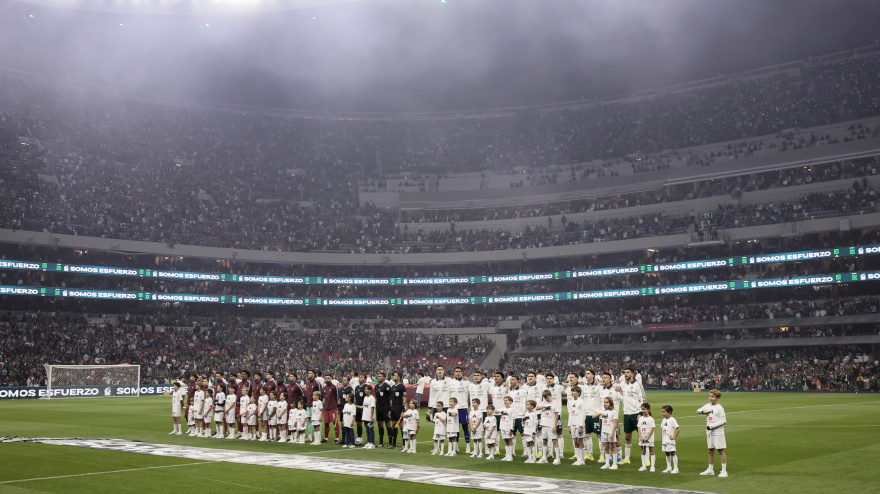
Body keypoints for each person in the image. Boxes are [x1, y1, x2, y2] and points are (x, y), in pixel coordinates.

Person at [697, 389, 728, 477]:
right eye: (710, 396)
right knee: (710, 450)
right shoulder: (707, 405)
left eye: (713, 397)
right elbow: (697, 411)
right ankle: (710, 469)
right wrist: (703, 412)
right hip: (709, 432)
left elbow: (724, 421)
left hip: (718, 432)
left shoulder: (720, 408)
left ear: (717, 398)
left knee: (721, 450)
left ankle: (724, 471)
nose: (711, 398)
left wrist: (712, 426)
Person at [619, 367, 646, 465]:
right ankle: (627, 458)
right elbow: (624, 395)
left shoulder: (637, 385)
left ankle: (646, 459)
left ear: (632, 374)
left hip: (636, 413)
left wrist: (641, 413)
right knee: (627, 436)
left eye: (628, 372)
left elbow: (643, 398)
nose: (625, 374)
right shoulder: (623, 385)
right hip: (626, 413)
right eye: (625, 372)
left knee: (641, 436)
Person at [599, 372, 623, 463]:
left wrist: (620, 390)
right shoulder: (600, 390)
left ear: (610, 380)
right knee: (604, 438)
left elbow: (623, 398)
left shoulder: (615, 390)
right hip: (603, 418)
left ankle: (619, 457)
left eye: (605, 378)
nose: (603, 379)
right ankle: (608, 457)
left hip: (612, 418)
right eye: (602, 377)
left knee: (615, 438)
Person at [536, 389, 561, 465]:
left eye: (547, 397)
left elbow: (556, 415)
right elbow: (536, 408)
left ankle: (557, 458)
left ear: (550, 396)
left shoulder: (555, 404)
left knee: (554, 440)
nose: (546, 399)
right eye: (545, 398)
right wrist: (544, 406)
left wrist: (555, 426)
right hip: (544, 424)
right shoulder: (543, 403)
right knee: (544, 440)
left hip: (551, 424)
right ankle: (544, 457)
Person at [594, 397, 619, 470]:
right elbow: (593, 416)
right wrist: (600, 413)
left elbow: (615, 424)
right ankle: (607, 463)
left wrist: (612, 434)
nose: (605, 404)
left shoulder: (614, 412)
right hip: (603, 431)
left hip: (610, 431)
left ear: (611, 403)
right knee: (606, 447)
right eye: (604, 402)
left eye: (607, 402)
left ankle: (614, 464)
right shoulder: (603, 411)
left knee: (613, 447)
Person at [450, 367, 471, 452]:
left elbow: (472, 391)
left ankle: (468, 446)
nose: (458, 373)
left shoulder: (466, 383)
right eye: (456, 371)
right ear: (454, 373)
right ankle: (456, 447)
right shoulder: (450, 382)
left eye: (459, 371)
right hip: (454, 408)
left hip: (463, 407)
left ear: (462, 372)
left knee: (465, 427)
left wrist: (468, 381)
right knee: (455, 428)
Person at [568, 385, 587, 465]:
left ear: (579, 393)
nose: (572, 393)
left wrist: (581, 426)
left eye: (574, 391)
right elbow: (570, 413)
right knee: (575, 441)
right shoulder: (570, 402)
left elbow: (583, 414)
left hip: (578, 423)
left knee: (580, 441)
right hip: (572, 423)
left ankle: (582, 460)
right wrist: (569, 425)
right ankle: (578, 459)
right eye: (572, 391)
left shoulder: (581, 402)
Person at [389, 371, 407, 449]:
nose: (393, 376)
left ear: (399, 377)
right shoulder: (393, 387)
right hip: (393, 408)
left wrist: (403, 409)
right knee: (394, 424)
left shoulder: (402, 386)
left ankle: (404, 444)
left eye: (395, 375)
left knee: (401, 425)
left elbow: (404, 398)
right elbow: (392, 398)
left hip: (399, 407)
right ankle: (394, 444)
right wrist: (390, 409)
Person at [374, 372, 393, 448]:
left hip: (386, 407)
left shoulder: (387, 386)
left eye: (380, 376)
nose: (378, 377)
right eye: (378, 376)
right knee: (380, 424)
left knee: (388, 424)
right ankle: (381, 442)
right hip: (379, 407)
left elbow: (391, 396)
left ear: (384, 378)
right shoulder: (376, 386)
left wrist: (389, 406)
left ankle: (390, 442)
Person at [322, 373, 341, 444]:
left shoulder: (334, 387)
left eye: (328, 378)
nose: (327, 379)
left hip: (333, 408)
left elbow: (338, 397)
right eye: (326, 378)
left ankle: (336, 438)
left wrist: (337, 406)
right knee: (326, 423)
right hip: (326, 409)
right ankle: (326, 438)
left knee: (335, 423)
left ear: (331, 379)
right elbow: (323, 398)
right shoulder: (324, 388)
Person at [303, 370, 322, 442]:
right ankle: (310, 436)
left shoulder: (317, 383)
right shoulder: (307, 383)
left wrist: (318, 403)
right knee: (309, 420)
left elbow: (320, 393)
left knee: (317, 420)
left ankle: (318, 437)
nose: (308, 374)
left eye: (310, 373)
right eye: (308, 373)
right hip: (308, 404)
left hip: (315, 405)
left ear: (313, 375)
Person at [660, 405, 680, 474]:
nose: (663, 413)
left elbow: (678, 428)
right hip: (664, 439)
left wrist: (674, 437)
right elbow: (662, 429)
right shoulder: (663, 420)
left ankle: (676, 468)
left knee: (673, 453)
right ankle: (669, 467)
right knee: (667, 453)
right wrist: (661, 437)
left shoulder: (672, 420)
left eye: (664, 412)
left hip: (670, 440)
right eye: (662, 412)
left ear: (669, 412)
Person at [637, 403, 656, 472]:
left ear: (648, 409)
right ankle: (643, 465)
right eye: (642, 409)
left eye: (644, 409)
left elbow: (652, 428)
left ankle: (652, 466)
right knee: (643, 451)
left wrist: (647, 437)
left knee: (652, 451)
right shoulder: (640, 418)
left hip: (649, 438)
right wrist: (640, 436)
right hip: (642, 437)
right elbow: (639, 428)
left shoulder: (651, 419)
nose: (643, 410)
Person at [498, 396, 516, 461]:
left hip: (508, 427)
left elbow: (512, 419)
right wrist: (500, 412)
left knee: (510, 441)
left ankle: (510, 456)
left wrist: (511, 429)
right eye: (504, 400)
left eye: (507, 400)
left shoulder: (512, 410)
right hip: (502, 427)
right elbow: (495, 412)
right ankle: (507, 455)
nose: (505, 402)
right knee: (505, 441)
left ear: (510, 402)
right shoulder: (502, 408)